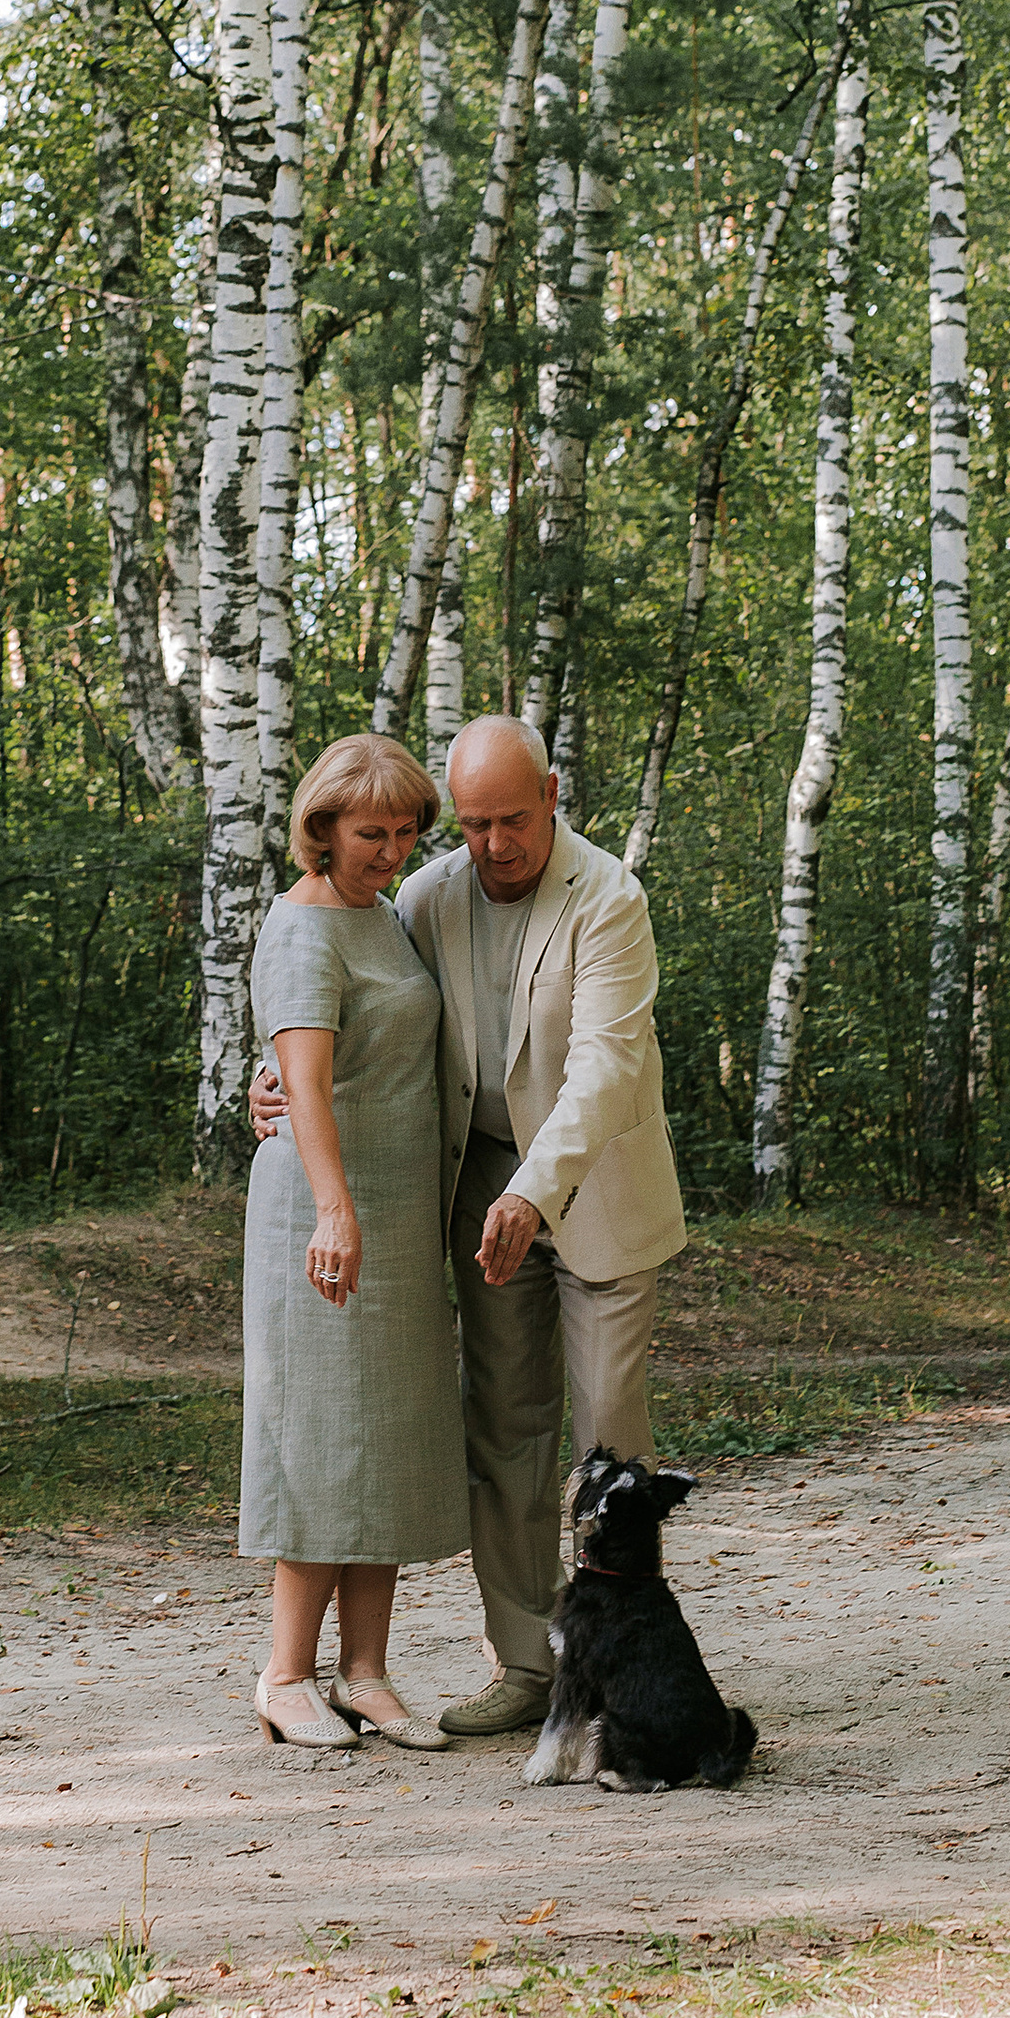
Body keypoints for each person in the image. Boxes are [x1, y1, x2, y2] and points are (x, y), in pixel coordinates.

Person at [252, 711, 685, 1737]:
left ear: (550, 798)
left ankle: (623, 1672)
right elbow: (337, 1013)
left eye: (509, 821)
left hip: (592, 1192)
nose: (489, 845)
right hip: (470, 1194)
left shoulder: (609, 899)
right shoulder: (426, 894)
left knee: (609, 1447)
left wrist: (531, 1191)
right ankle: (530, 1666)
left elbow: (602, 1072)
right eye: (474, 823)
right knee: (502, 1433)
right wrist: (263, 1084)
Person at [240, 730, 469, 1751]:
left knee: (391, 1442)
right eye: (369, 832)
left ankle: (366, 1673)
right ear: (320, 829)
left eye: (406, 831)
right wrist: (336, 1211)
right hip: (322, 1214)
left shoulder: (387, 918)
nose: (390, 848)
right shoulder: (300, 930)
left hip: (398, 1209)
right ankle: (286, 1676)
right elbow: (305, 1087)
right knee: (326, 1442)